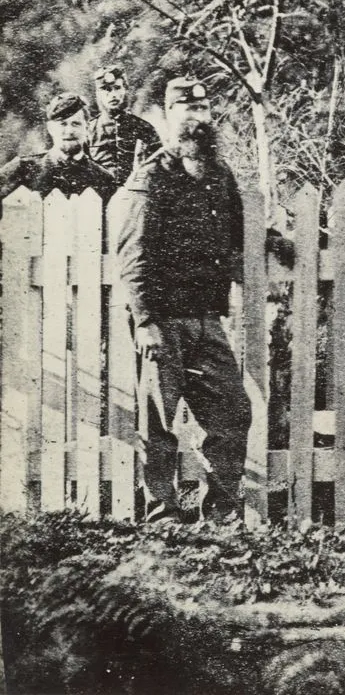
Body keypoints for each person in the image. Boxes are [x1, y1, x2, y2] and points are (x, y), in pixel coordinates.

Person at [116, 77, 252, 524]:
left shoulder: (218, 173)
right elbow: (133, 254)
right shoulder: (152, 176)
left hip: (207, 319)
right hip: (164, 321)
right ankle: (163, 513)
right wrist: (146, 320)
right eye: (186, 111)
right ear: (169, 116)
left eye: (204, 110)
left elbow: (235, 230)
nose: (197, 119)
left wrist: (275, 241)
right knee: (159, 422)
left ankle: (221, 513)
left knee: (232, 412)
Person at [0, 92, 117, 202]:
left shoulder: (104, 178)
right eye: (63, 124)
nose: (69, 131)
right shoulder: (23, 169)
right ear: (50, 128)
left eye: (76, 124)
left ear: (87, 128)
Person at [88, 65, 161, 185]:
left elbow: (158, 167)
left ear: (125, 90)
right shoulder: (89, 130)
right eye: (106, 89)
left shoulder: (144, 128)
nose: (113, 94)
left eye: (117, 88)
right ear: (98, 94)